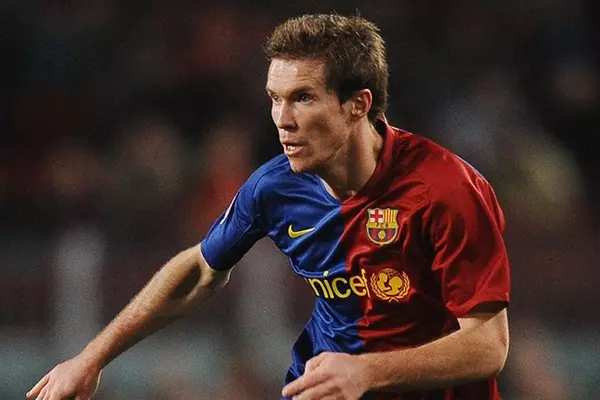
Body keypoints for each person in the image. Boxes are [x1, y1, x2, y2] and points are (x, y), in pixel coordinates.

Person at [27, 13, 510, 400]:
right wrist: (90, 359)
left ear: (358, 104)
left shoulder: (446, 189)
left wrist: (366, 371)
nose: (282, 119)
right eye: (275, 99)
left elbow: (488, 346)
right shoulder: (274, 187)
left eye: (303, 98)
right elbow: (199, 270)